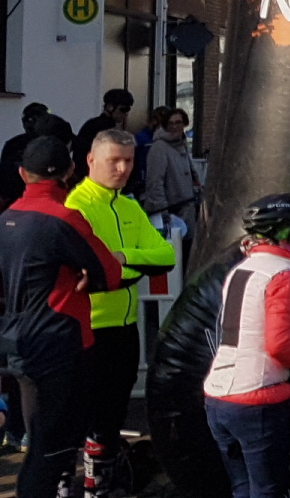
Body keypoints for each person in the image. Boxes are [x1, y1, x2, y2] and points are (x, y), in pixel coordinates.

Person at [0, 137, 121, 498]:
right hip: (59, 342)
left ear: (23, 173)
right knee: (51, 449)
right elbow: (110, 272)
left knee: (40, 441)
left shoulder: (6, 218)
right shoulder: (64, 217)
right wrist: (86, 274)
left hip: (17, 340)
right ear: (71, 171)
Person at [202, 193, 290, 498]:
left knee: (242, 488)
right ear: (284, 232)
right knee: (268, 490)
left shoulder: (241, 269)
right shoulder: (284, 274)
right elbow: (281, 345)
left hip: (218, 397)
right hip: (256, 402)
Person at [65, 129, 175, 465]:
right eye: (114, 160)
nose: (123, 169)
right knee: (85, 415)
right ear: (91, 160)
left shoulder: (128, 205)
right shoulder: (76, 206)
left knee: (114, 412)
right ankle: (81, 481)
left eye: (128, 161)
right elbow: (90, 272)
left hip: (126, 326)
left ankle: (103, 478)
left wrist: (125, 259)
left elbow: (166, 256)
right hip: (89, 327)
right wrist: (134, 265)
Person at [140, 106, 200, 226]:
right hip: (172, 214)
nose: (175, 127)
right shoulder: (159, 147)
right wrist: (163, 213)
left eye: (178, 123)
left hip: (187, 210)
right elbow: (155, 182)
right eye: (170, 123)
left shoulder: (182, 144)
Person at [0, 101, 49, 208]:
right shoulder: (13, 145)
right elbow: (4, 173)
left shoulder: (51, 144)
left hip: (43, 199)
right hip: (14, 199)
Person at [74, 88, 133, 165]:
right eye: (123, 109)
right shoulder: (103, 128)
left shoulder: (92, 124)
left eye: (128, 110)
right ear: (110, 107)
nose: (125, 114)